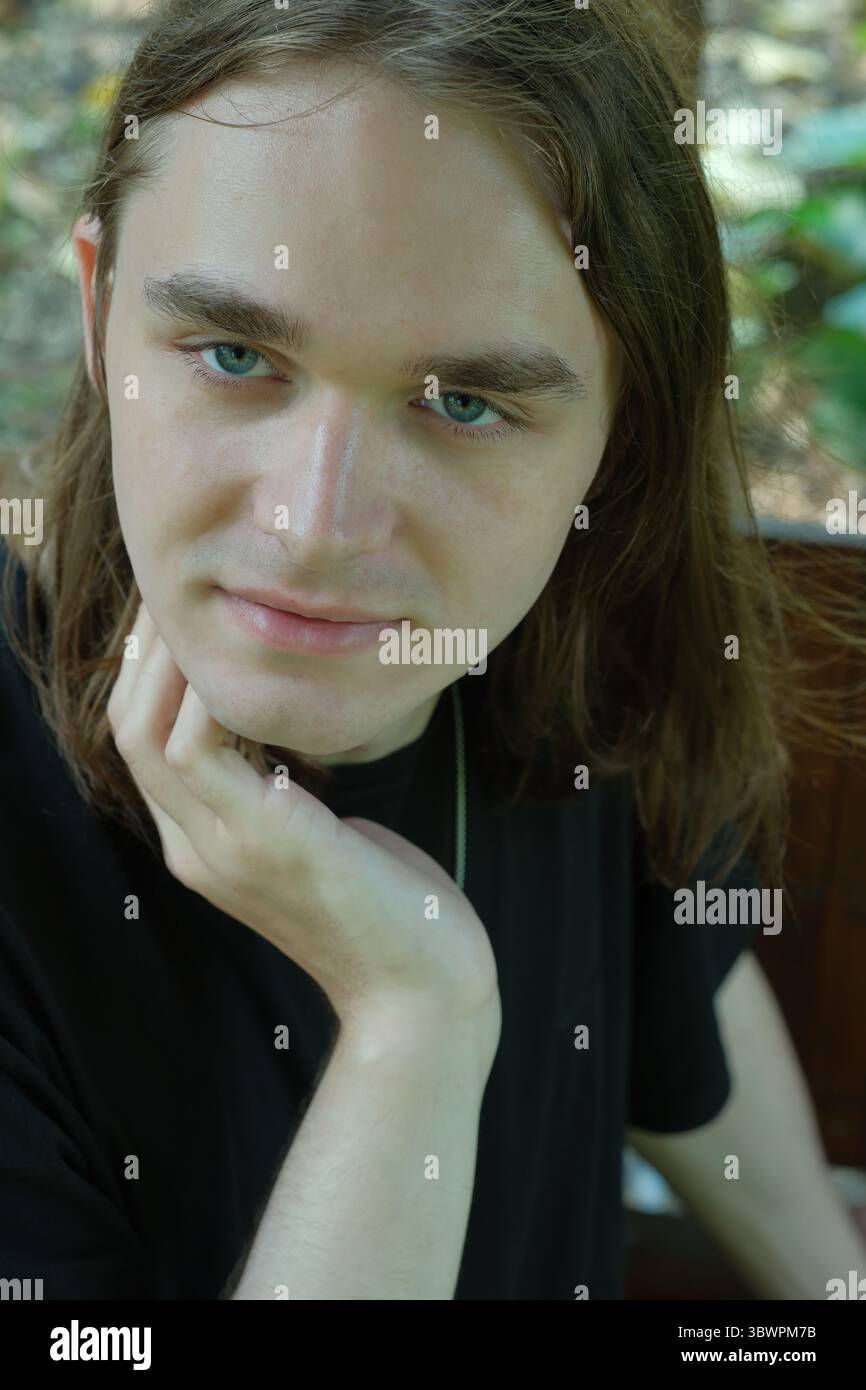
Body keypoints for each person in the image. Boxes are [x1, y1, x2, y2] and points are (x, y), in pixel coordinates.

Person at [1, 0, 865, 1302]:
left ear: (620, 431)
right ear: (97, 305)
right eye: (233, 353)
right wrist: (414, 1023)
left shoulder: (575, 639)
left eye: (463, 402)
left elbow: (677, 1006)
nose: (311, 527)